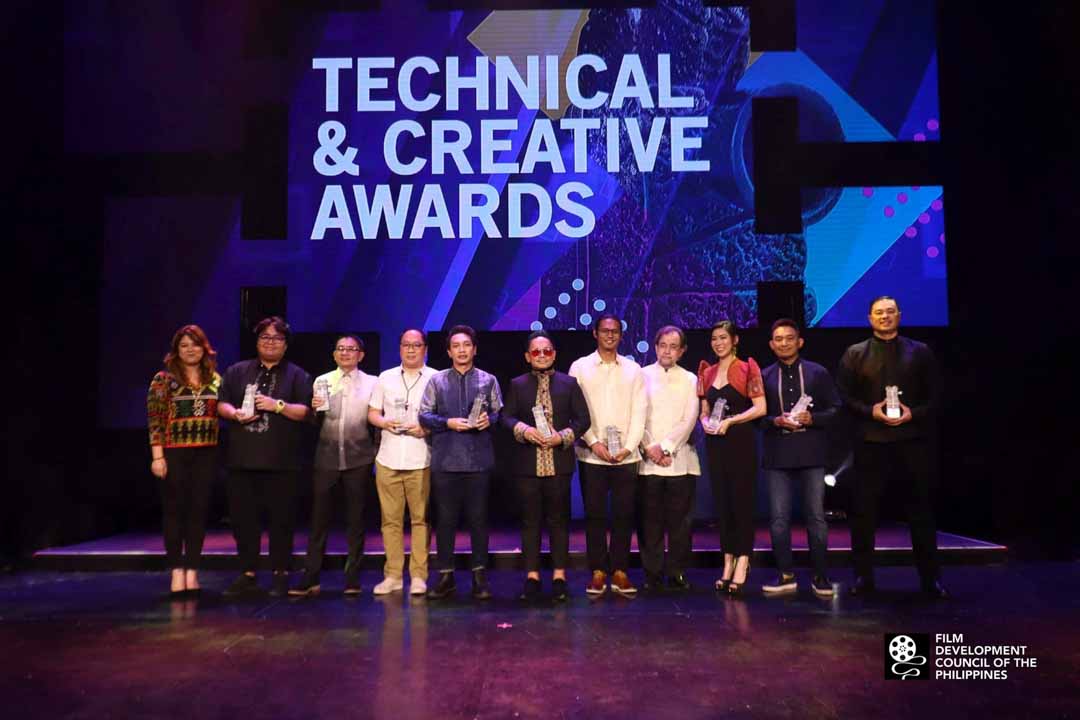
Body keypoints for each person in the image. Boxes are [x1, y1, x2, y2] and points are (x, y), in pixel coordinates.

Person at [837, 296, 946, 598]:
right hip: (871, 444)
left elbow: (935, 396)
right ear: (869, 318)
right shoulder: (855, 353)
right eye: (878, 313)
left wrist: (914, 413)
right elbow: (844, 397)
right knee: (864, 515)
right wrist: (870, 411)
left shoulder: (920, 352)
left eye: (889, 312)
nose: (884, 317)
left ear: (899, 315)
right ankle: (863, 577)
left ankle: (931, 579)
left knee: (921, 513)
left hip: (912, 443)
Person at [217, 317, 312, 597]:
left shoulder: (298, 375)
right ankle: (247, 573)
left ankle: (280, 573)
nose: (270, 342)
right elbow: (221, 403)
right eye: (265, 338)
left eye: (277, 338)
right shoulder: (237, 371)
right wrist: (234, 413)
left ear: (286, 345)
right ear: (257, 342)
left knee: (282, 521)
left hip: (283, 463)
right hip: (241, 460)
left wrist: (277, 405)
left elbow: (307, 412)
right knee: (243, 520)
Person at [501, 330, 590, 602]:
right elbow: (505, 417)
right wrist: (525, 430)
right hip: (527, 464)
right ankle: (532, 576)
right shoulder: (518, 384)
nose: (542, 355)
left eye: (547, 351)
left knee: (558, 521)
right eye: (536, 352)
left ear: (554, 354)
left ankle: (559, 576)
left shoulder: (569, 384)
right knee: (530, 521)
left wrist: (562, 436)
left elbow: (583, 420)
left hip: (559, 464)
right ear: (527, 357)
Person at [418, 325, 503, 600]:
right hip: (446, 462)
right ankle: (446, 576)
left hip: (478, 462)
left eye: (467, 345)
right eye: (456, 346)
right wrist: (448, 423)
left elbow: (499, 413)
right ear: (448, 351)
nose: (462, 350)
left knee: (479, 520)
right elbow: (424, 415)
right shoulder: (437, 381)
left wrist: (489, 420)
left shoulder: (488, 380)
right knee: (445, 521)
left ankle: (479, 576)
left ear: (474, 349)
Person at [759, 319, 841, 598]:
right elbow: (756, 417)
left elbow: (836, 409)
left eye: (789, 338)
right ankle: (785, 575)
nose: (784, 343)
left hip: (812, 453)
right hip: (778, 455)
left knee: (816, 517)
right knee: (779, 519)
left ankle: (820, 576)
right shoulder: (764, 376)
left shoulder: (818, 372)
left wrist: (812, 418)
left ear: (800, 341)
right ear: (771, 345)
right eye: (778, 339)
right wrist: (775, 420)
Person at [290, 336, 377, 597]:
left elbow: (376, 419)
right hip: (326, 457)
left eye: (351, 349)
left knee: (356, 520)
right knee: (319, 519)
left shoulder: (373, 383)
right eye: (341, 349)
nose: (345, 353)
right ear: (334, 354)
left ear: (361, 355)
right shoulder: (323, 380)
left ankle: (352, 577)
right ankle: (311, 576)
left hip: (359, 457)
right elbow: (313, 421)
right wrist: (314, 410)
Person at [568, 313, 647, 597]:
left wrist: (629, 447)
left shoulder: (634, 369)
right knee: (595, 515)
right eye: (605, 331)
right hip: (592, 455)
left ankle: (621, 570)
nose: (610, 335)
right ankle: (598, 570)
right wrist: (593, 443)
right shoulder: (580, 367)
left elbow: (640, 411)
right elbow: (575, 410)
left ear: (621, 335)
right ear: (595, 333)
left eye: (615, 331)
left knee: (624, 515)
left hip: (627, 455)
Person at [146, 324, 221, 595]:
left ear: (204, 348)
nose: (190, 350)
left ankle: (193, 571)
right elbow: (155, 420)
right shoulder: (163, 379)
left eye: (195, 344)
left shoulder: (215, 379)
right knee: (175, 512)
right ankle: (176, 571)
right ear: (176, 350)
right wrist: (158, 456)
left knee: (198, 512)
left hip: (207, 452)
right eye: (184, 345)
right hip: (174, 452)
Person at [698, 320, 766, 596]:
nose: (718, 343)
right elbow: (704, 409)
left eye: (723, 337)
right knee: (723, 504)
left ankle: (743, 561)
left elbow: (760, 407)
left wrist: (731, 421)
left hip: (741, 442)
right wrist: (705, 422)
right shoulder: (707, 371)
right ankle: (727, 561)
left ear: (735, 340)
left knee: (742, 503)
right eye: (715, 338)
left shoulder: (747, 368)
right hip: (715, 444)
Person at [367, 329, 436, 596]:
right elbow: (373, 413)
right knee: (390, 521)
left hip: (421, 458)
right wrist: (385, 422)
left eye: (416, 345)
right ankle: (393, 575)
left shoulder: (435, 378)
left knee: (420, 520)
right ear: (399, 348)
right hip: (388, 457)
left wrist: (426, 429)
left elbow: (442, 417)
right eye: (406, 345)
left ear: (425, 349)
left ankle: (418, 576)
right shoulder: (385, 377)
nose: (410, 349)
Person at [639, 325, 701, 592]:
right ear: (655, 347)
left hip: (680, 460)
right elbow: (635, 416)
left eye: (673, 347)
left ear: (682, 351)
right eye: (663, 345)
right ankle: (652, 574)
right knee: (649, 522)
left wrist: (665, 448)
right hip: (647, 461)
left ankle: (677, 572)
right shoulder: (641, 375)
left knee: (680, 523)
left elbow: (689, 418)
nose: (667, 351)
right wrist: (650, 447)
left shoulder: (690, 379)